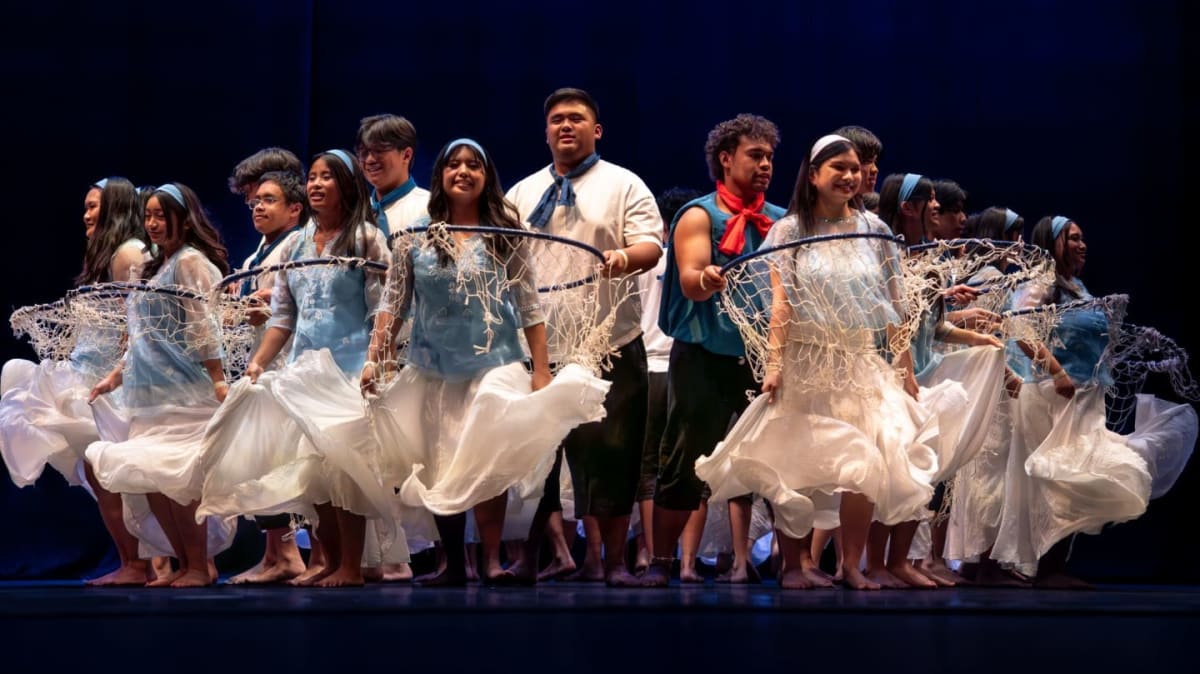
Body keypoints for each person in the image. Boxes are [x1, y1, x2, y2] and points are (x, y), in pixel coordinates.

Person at [696, 135, 938, 590]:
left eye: (854, 168)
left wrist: (905, 367)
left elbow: (895, 304)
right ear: (813, 175)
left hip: (859, 362)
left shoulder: (874, 230)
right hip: (805, 361)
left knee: (868, 463)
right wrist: (774, 365)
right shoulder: (789, 231)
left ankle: (850, 565)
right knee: (797, 466)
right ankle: (792, 565)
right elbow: (781, 304)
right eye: (838, 168)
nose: (849, 176)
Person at [363, 138, 609, 586]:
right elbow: (393, 305)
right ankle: (455, 565)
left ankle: (493, 560)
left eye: (473, 165)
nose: (463, 171)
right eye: (454, 164)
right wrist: (374, 359)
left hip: (494, 365)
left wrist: (541, 370)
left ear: (486, 176)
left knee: (486, 457)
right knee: (442, 462)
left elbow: (529, 305)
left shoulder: (504, 233)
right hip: (434, 369)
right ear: (440, 175)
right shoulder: (415, 237)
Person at [199, 150, 393, 588]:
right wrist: (257, 363)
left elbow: (383, 307)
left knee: (346, 469)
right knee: (313, 471)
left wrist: (374, 360)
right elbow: (284, 316)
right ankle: (332, 561)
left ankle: (351, 566)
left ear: (347, 185)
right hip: (304, 370)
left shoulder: (366, 238)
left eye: (328, 177)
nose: (317, 184)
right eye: (314, 177)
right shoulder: (295, 245)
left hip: (347, 370)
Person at [503, 87, 663, 586]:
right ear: (546, 131)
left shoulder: (623, 183)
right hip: (539, 347)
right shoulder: (522, 192)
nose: (565, 126)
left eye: (575, 118)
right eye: (556, 119)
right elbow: (501, 256)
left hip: (609, 343)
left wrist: (623, 258)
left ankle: (613, 562)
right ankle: (529, 558)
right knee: (535, 459)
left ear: (596, 130)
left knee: (612, 457)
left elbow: (651, 245)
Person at [992, 215, 1196, 588]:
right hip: (1055, 396)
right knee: (1064, 476)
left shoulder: (1079, 289)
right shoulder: (1041, 284)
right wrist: (1056, 371)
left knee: (1078, 477)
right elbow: (1017, 327)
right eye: (1073, 238)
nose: (1082, 244)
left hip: (1085, 395)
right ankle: (1046, 569)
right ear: (1052, 242)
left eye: (1083, 238)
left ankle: (1052, 567)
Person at [644, 114, 785, 588]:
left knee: (783, 459)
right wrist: (704, 278)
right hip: (704, 356)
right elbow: (690, 279)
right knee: (684, 460)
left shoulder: (782, 221)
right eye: (755, 155)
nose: (765, 165)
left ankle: (795, 565)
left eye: (769, 157)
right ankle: (661, 561)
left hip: (764, 358)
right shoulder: (700, 215)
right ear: (726, 159)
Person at [1, 177, 150, 585]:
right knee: (102, 473)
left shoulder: (128, 253)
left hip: (111, 380)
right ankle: (138, 562)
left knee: (111, 472)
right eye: (85, 207)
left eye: (93, 206)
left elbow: (140, 317)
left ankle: (140, 564)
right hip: (89, 374)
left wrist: (122, 370)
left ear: (115, 208)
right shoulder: (107, 254)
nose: (85, 215)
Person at [86, 183, 234, 588]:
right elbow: (140, 334)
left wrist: (218, 378)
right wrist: (116, 375)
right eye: (147, 215)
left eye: (160, 216)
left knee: (177, 481)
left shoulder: (190, 262)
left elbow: (204, 325)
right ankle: (185, 564)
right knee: (151, 479)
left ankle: (199, 565)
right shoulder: (151, 268)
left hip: (184, 392)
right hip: (147, 394)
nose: (152, 223)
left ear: (184, 220)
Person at [631, 185, 702, 577]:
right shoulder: (696, 261)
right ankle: (687, 563)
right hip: (685, 366)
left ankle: (650, 554)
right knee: (690, 466)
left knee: (647, 469)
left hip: (649, 369)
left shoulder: (646, 261)